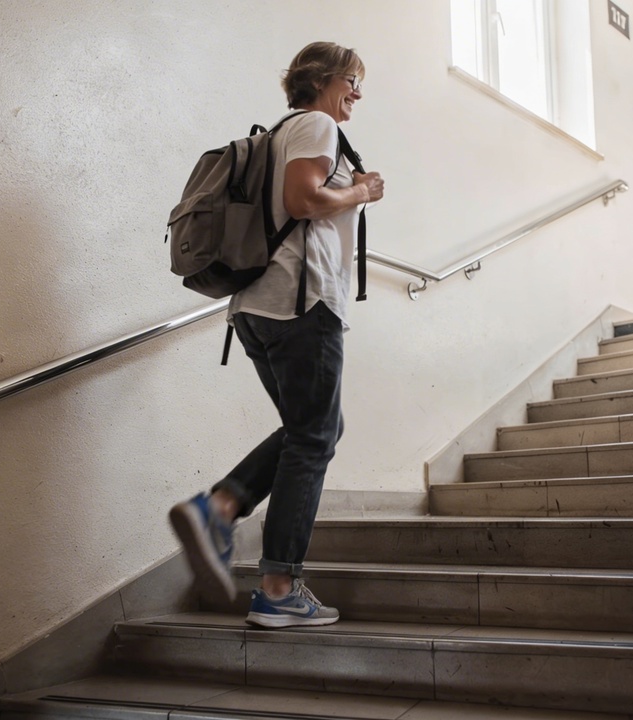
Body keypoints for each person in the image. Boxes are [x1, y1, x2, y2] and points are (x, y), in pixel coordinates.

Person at [169, 41, 384, 629]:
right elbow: (303, 199)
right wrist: (360, 192)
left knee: (312, 429)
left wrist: (349, 187)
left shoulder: (285, 132)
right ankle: (278, 584)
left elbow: (300, 197)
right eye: (351, 81)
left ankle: (222, 509)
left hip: (256, 309)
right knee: (315, 436)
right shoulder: (316, 124)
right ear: (320, 80)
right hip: (301, 303)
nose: (358, 94)